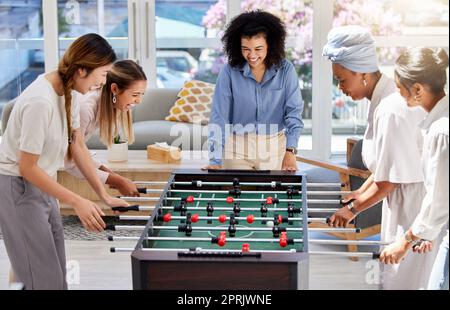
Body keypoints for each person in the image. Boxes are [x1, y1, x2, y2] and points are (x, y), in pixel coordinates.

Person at [0, 33, 128, 289]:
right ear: (82, 70)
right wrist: (76, 200)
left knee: (56, 276)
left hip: (44, 183)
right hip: (18, 187)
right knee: (45, 280)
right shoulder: (41, 101)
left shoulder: (69, 92)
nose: (103, 83)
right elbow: (26, 167)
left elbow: (77, 145)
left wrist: (102, 194)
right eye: (102, 75)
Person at [322, 26, 437, 290]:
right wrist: (359, 192)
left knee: (405, 281)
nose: (340, 89)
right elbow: (387, 163)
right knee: (393, 277)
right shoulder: (383, 99)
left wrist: (350, 211)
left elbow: (389, 182)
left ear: (361, 73)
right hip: (402, 202)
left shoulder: (391, 109)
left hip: (414, 206)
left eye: (341, 80)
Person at [380, 47, 449, 290]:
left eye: (400, 87)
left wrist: (405, 241)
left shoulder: (441, 130)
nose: (398, 93)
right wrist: (425, 233)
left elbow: (439, 200)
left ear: (417, 89)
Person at [205, 10, 304, 171]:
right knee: (237, 196)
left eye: (258, 49)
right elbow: (219, 116)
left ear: (270, 46)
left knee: (273, 196)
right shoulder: (229, 72)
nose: (251, 55)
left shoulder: (286, 70)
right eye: (246, 49)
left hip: (274, 148)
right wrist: (215, 159)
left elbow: (294, 113)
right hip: (237, 147)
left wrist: (290, 150)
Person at [65, 60, 147, 197]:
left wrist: (111, 175)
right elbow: (71, 161)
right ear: (114, 89)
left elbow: (81, 152)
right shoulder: (86, 110)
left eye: (141, 95)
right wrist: (117, 180)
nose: (139, 101)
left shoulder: (100, 106)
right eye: (135, 95)